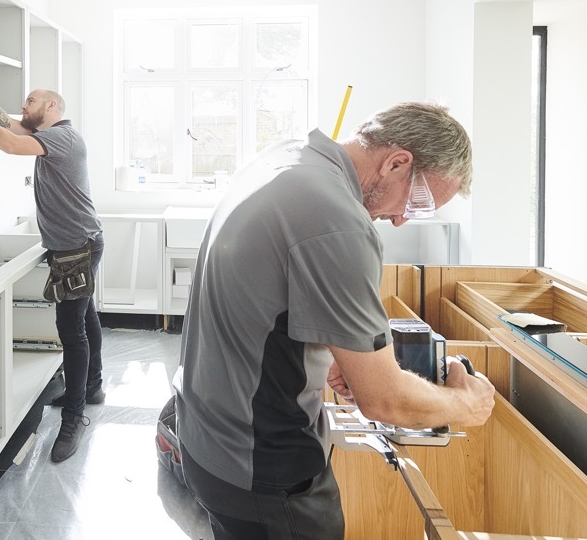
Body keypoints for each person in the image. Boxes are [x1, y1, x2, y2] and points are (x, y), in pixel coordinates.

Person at [175, 102, 496, 539]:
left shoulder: (287, 158)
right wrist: (467, 404)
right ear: (396, 162)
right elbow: (386, 402)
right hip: (265, 469)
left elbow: (262, 292)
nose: (402, 220)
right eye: (417, 201)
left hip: (207, 440)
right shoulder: (338, 222)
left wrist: (335, 353)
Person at [0, 73, 104, 463]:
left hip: (76, 248)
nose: (23, 106)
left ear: (52, 106)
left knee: (71, 330)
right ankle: (93, 386)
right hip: (77, 243)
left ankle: (74, 417)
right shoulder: (49, 135)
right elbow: (8, 124)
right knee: (86, 314)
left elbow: (11, 143)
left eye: (30, 101)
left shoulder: (64, 137)